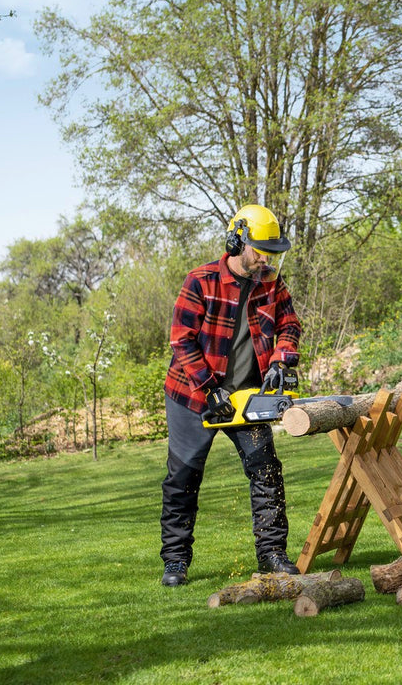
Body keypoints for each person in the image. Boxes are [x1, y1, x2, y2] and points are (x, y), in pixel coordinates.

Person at [159, 204, 303, 587]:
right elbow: (181, 340)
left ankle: (272, 554)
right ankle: (175, 561)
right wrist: (209, 388)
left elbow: (290, 324)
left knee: (266, 470)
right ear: (237, 241)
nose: (266, 260)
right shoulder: (201, 281)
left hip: (245, 396)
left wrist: (281, 359)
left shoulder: (271, 283)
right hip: (193, 396)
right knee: (183, 477)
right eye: (260, 251)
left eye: (271, 253)